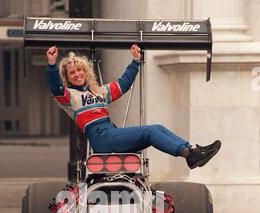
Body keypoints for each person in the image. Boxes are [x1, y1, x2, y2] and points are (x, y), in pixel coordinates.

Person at [46, 44, 221, 169]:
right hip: (101, 138)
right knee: (150, 131)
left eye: (79, 70)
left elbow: (123, 84)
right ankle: (189, 155)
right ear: (67, 78)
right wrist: (52, 65)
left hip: (110, 134)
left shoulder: (99, 91)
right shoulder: (70, 98)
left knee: (156, 128)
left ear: (85, 72)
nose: (77, 74)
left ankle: (192, 150)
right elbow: (56, 87)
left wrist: (136, 61)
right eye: (72, 73)